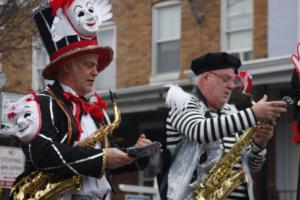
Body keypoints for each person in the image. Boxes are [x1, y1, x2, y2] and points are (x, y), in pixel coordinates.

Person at [7, 0, 151, 199]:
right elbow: (45, 155)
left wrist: (134, 154)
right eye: (88, 65)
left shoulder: (95, 111)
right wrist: (102, 158)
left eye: (95, 66)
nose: (96, 71)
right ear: (66, 66)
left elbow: (104, 161)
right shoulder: (39, 104)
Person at [157, 52, 287, 200]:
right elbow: (198, 131)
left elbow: (253, 167)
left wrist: (259, 143)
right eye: (225, 79)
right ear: (206, 78)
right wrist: (253, 114)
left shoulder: (233, 114)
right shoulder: (183, 104)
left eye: (233, 80)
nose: (231, 86)